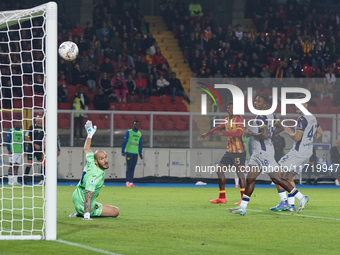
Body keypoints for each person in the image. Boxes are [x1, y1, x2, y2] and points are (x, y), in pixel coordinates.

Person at [228, 95, 309, 216]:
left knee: (276, 178)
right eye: (255, 100)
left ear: (265, 105)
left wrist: (251, 133)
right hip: (258, 153)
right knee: (250, 179)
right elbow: (280, 127)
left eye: (258, 101)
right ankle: (242, 207)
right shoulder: (270, 115)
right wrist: (269, 134)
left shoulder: (261, 117)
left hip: (264, 153)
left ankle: (301, 197)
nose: (255, 102)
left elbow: (264, 135)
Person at [270, 96, 322, 212]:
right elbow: (320, 133)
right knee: (289, 177)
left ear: (306, 104)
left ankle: (289, 201)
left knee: (275, 174)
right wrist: (308, 142)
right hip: (306, 153)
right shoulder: (312, 117)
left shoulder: (302, 119)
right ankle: (291, 206)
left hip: (298, 153)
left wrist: (289, 133)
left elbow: (297, 137)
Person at [69, 120, 119, 220]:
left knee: (93, 195)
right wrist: (87, 215)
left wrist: (90, 134)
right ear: (96, 161)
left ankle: (80, 212)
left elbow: (86, 149)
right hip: (83, 203)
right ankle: (83, 213)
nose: (105, 161)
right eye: (102, 159)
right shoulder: (94, 176)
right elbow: (88, 196)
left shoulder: (92, 159)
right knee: (116, 211)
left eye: (106, 157)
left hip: (77, 195)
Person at [200, 101, 247, 205]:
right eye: (228, 108)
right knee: (220, 170)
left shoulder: (239, 119)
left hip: (239, 151)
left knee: (240, 174)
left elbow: (239, 133)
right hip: (229, 151)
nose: (230, 110)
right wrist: (207, 134)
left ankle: (243, 199)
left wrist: (222, 133)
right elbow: (218, 127)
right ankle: (222, 197)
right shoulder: (226, 120)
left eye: (232, 108)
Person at [121, 120, 143, 187]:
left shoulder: (139, 134)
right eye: (135, 124)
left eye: (137, 124)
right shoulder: (129, 132)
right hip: (129, 152)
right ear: (133, 125)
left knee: (133, 168)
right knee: (129, 167)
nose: (136, 125)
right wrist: (123, 150)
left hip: (135, 153)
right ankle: (127, 182)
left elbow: (140, 145)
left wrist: (140, 154)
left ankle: (131, 182)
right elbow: (124, 141)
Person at [24, 114, 45, 185]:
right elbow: (26, 137)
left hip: (39, 148)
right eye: (37, 118)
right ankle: (25, 180)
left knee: (43, 162)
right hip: (31, 148)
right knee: (29, 163)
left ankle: (42, 179)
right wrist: (34, 144)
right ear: (35, 119)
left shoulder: (44, 129)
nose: (38, 119)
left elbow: (45, 139)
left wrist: (43, 145)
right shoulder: (31, 127)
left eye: (40, 118)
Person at [6, 120, 26, 185]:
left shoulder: (22, 132)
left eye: (19, 122)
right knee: (11, 165)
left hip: (19, 151)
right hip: (12, 151)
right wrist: (9, 149)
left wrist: (25, 151)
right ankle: (9, 181)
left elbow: (24, 142)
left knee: (17, 166)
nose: (18, 124)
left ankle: (15, 181)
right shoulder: (11, 131)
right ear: (14, 123)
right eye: (17, 122)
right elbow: (8, 141)